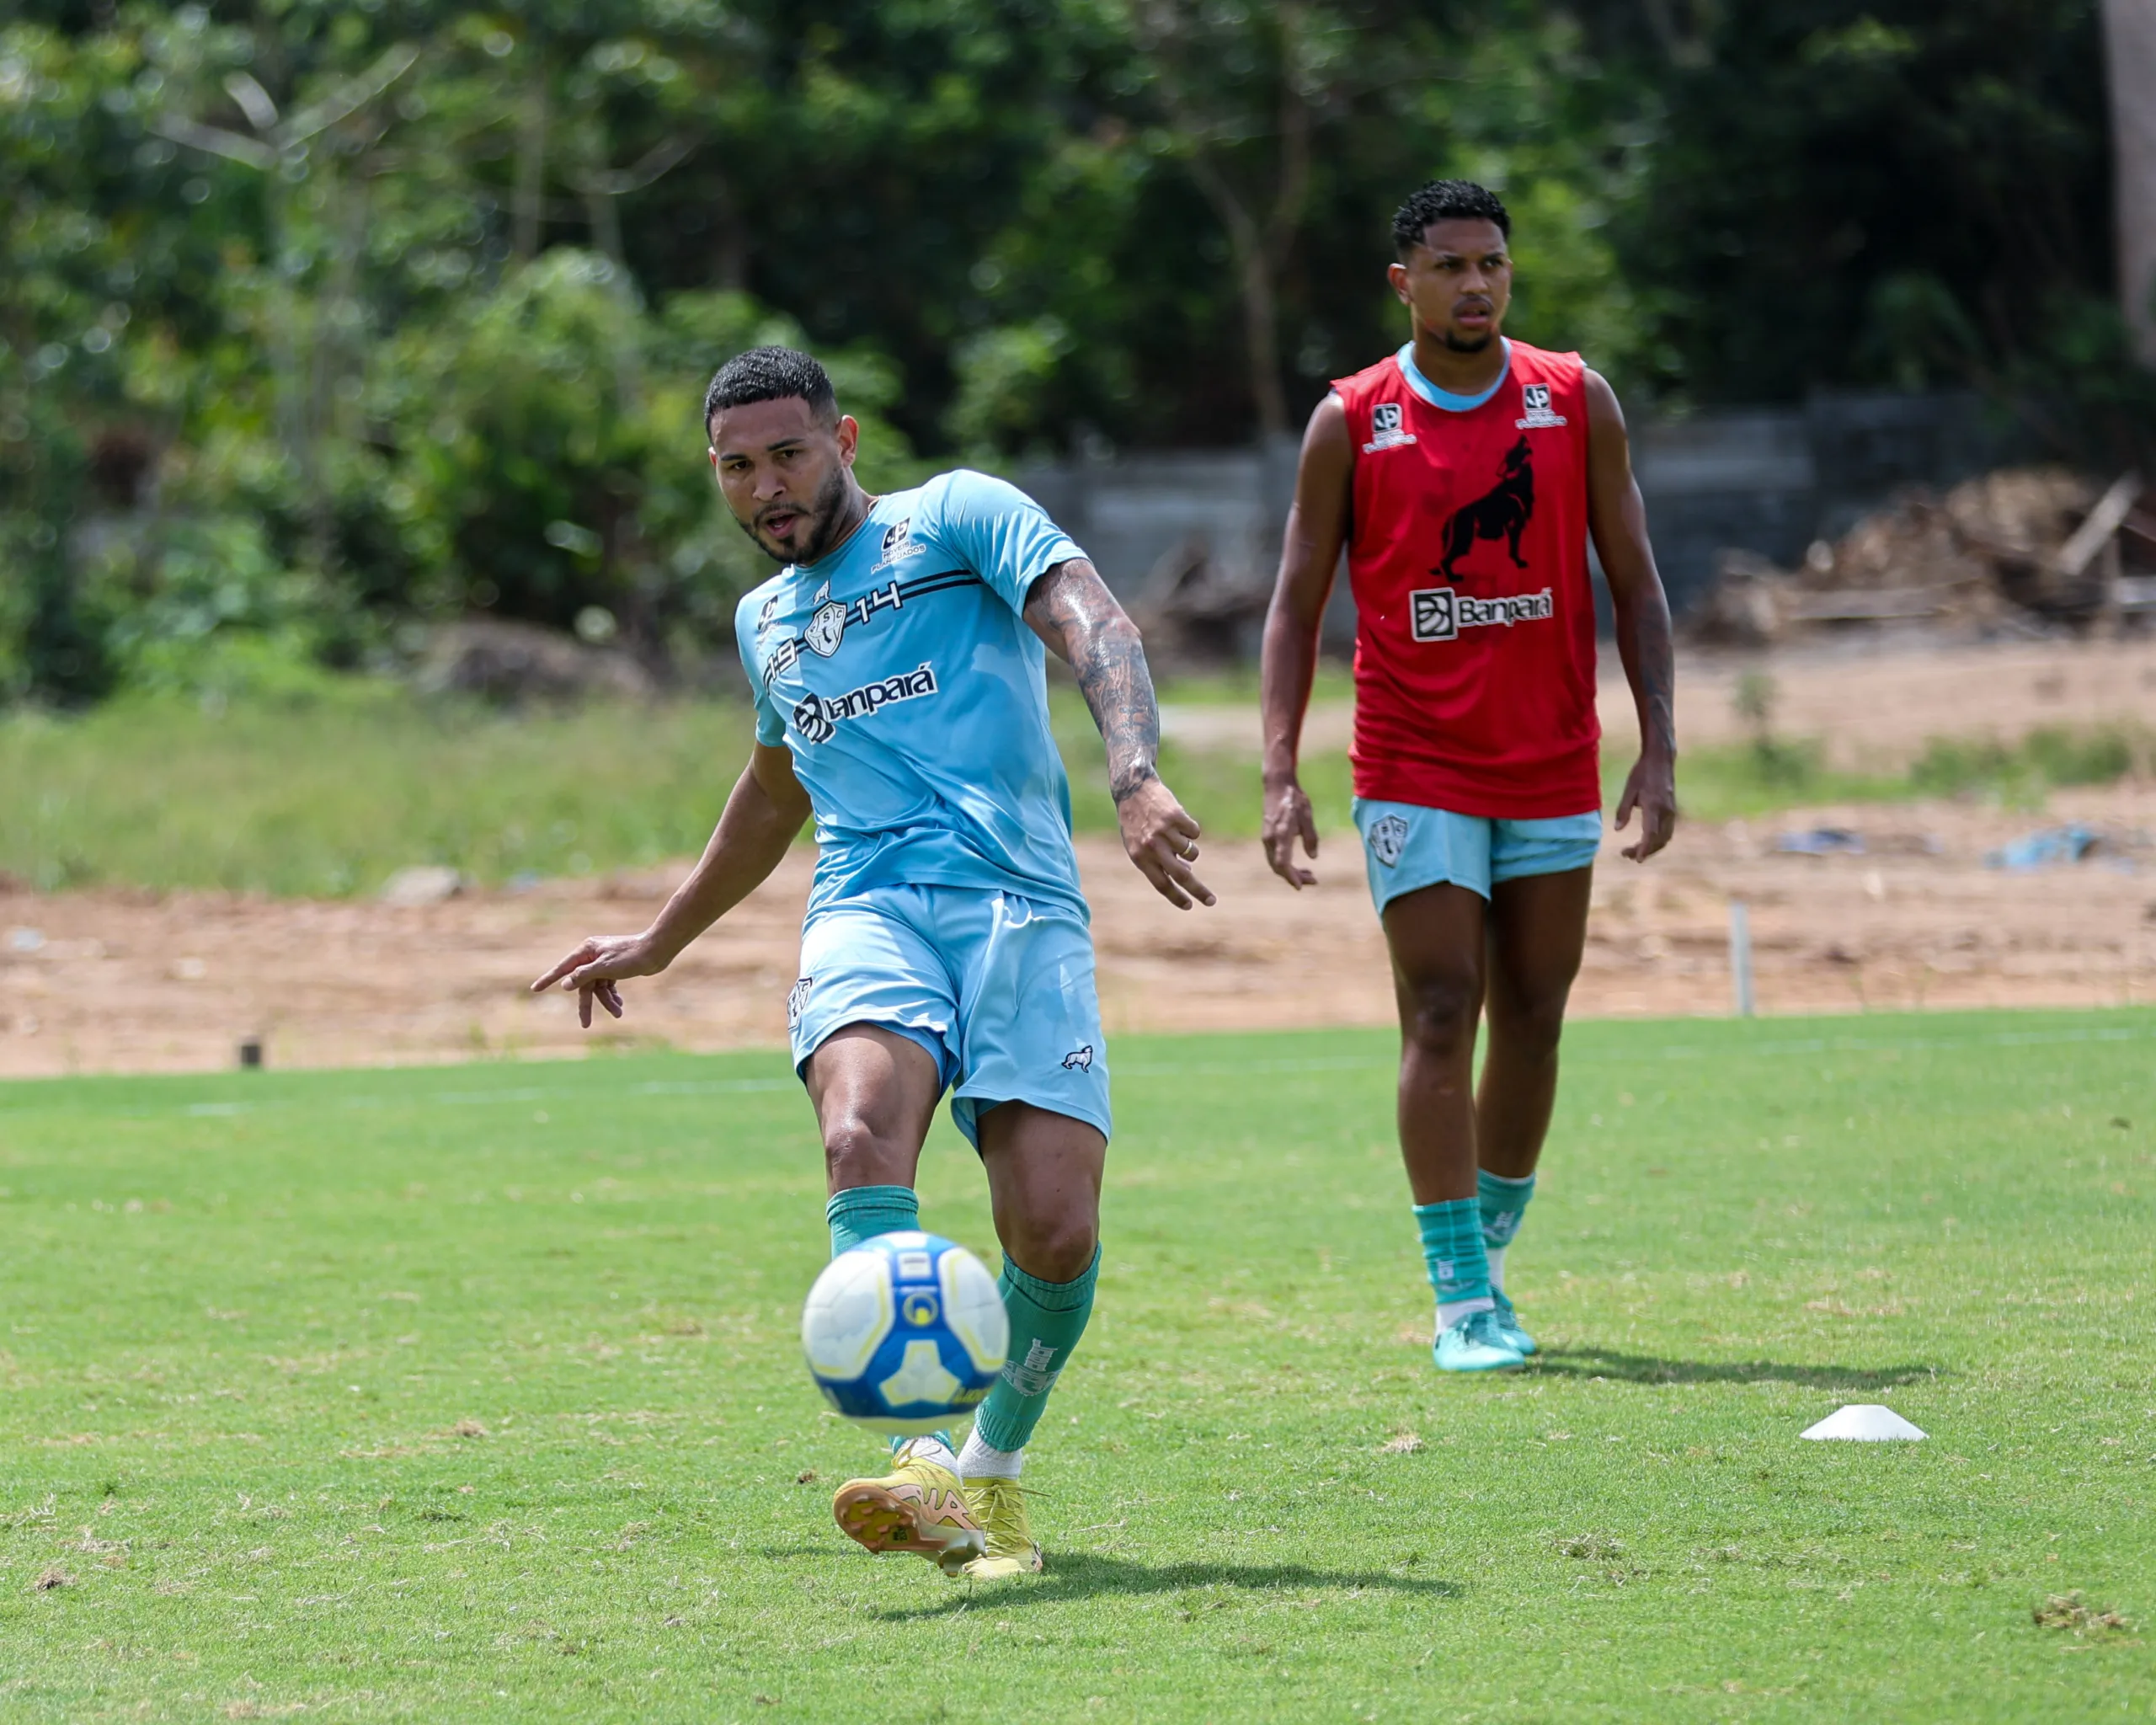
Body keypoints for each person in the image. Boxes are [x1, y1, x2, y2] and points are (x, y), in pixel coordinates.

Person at [531, 345, 1214, 1578]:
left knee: (1053, 1230)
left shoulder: (958, 515)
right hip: (869, 907)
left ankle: (988, 1476)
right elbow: (772, 788)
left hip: (1019, 905)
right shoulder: (763, 623)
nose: (766, 488)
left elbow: (1088, 618)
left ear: (842, 443)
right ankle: (913, 1462)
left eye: (788, 455)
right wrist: (662, 937)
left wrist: (1134, 770)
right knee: (857, 1137)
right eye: (738, 469)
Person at [1257, 180, 1678, 1374]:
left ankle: (1485, 1256)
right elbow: (1295, 605)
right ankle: (1458, 1298)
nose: (1475, 285)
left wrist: (1658, 742)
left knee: (1535, 1015)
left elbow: (1637, 583)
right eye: (1448, 266)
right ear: (1405, 283)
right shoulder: (1353, 418)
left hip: (1551, 759)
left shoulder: (1571, 400)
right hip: (1411, 759)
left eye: (1490, 262)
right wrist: (1280, 771)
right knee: (1445, 1006)